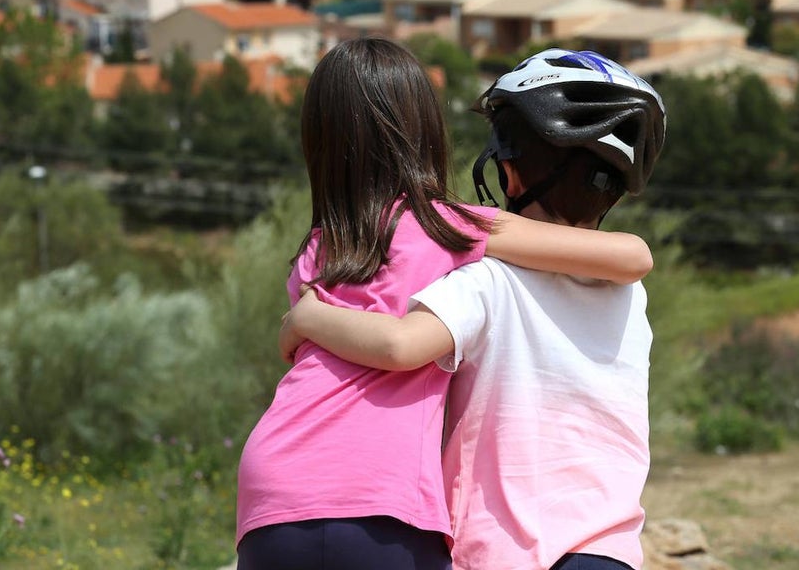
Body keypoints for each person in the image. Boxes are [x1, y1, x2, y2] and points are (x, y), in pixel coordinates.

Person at [236, 39, 654, 570]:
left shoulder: (322, 249)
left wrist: (305, 317)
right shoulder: (454, 229)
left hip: (273, 493)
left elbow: (380, 344)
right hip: (395, 506)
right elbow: (633, 255)